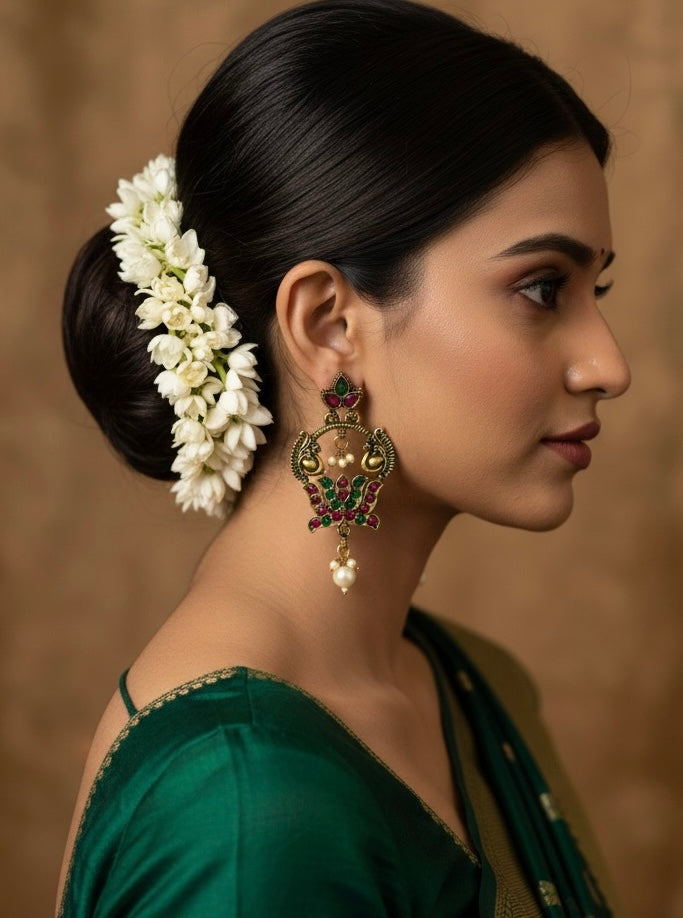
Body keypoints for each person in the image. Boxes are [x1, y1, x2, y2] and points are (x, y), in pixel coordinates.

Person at [56, 0, 632, 914]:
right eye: (539, 288)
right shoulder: (247, 809)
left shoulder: (465, 682)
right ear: (328, 323)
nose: (608, 364)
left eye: (593, 289)